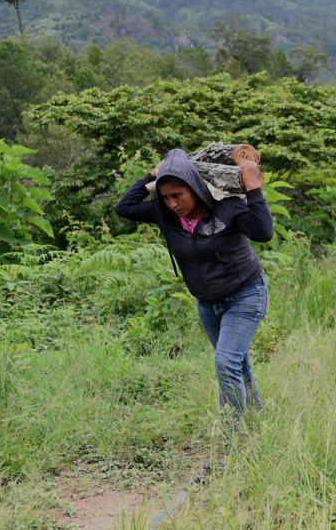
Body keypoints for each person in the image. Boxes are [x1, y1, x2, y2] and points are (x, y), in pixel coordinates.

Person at [115, 149, 274, 417]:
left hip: (246, 294)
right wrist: (153, 173)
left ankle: (230, 442)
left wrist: (254, 189)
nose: (172, 203)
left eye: (177, 195)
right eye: (165, 197)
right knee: (236, 363)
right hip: (208, 304)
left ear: (194, 187)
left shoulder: (226, 206)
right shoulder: (164, 214)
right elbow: (124, 207)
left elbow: (263, 231)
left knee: (226, 363)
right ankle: (257, 417)